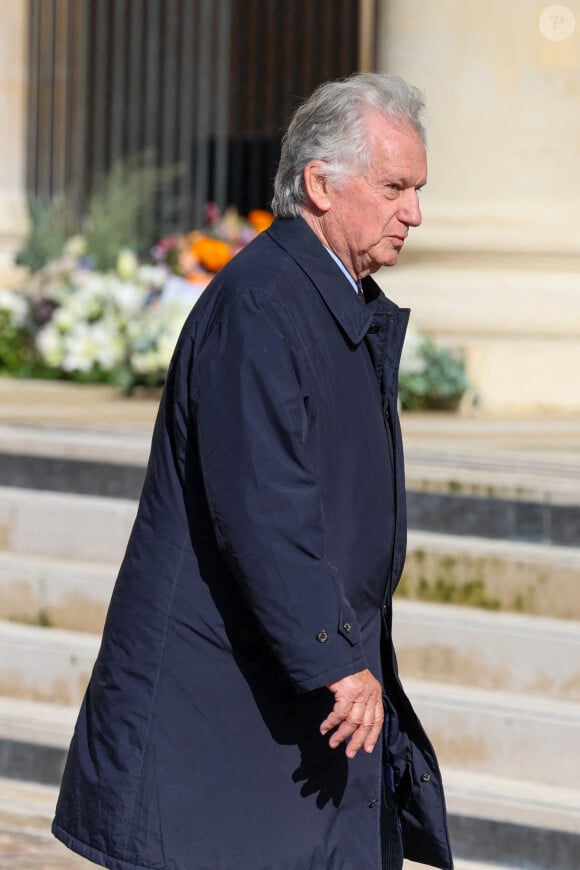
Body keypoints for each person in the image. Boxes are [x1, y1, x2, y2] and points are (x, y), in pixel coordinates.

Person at [52, 73, 453, 870]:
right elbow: (264, 505)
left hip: (286, 702)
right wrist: (335, 657)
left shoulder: (329, 297)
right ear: (321, 185)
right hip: (226, 712)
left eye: (418, 190)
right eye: (395, 187)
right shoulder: (264, 303)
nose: (414, 212)